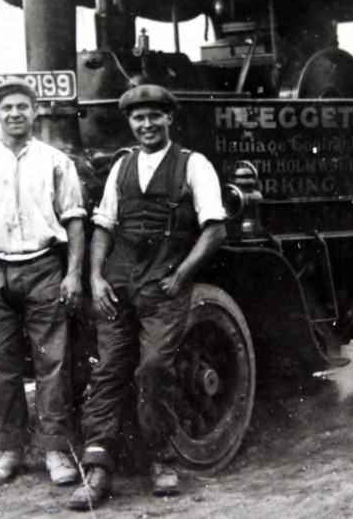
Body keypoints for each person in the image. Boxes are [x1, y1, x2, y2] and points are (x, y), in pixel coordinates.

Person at [69, 84, 227, 511]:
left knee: (155, 368)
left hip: (163, 284)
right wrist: (97, 278)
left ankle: (161, 459)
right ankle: (97, 467)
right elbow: (103, 225)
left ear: (168, 119)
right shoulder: (121, 167)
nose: (147, 124)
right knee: (108, 371)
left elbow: (214, 229)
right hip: (119, 284)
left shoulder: (194, 165)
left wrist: (181, 275)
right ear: (130, 123)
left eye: (155, 116)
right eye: (138, 118)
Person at [0, 80, 86, 488]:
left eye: (23, 107)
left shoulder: (55, 161)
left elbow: (75, 220)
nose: (15, 114)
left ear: (34, 113)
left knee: (53, 362)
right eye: (7, 108)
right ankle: (7, 450)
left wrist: (74, 273)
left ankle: (55, 449)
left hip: (44, 267)